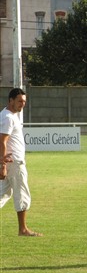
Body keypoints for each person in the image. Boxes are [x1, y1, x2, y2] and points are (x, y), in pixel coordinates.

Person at [0, 88, 43, 237]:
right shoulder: (8, 118)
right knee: (22, 195)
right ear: (10, 100)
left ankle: (23, 229)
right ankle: (23, 229)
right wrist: (2, 165)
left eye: (24, 101)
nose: (22, 104)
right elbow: (2, 141)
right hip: (15, 163)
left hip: (11, 163)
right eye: (19, 101)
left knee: (3, 194)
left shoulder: (8, 115)